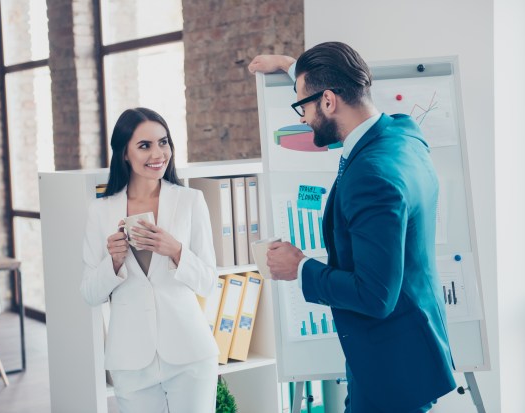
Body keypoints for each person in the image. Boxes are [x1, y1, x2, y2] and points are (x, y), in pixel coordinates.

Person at [248, 42, 456, 412]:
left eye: (303, 105)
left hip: (390, 371)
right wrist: (292, 66)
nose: (301, 118)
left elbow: (375, 296)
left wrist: (301, 267)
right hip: (407, 349)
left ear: (328, 101)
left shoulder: (371, 175)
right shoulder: (403, 134)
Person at [80, 107, 219, 413]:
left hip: (190, 354)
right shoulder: (100, 211)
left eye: (163, 142)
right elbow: (90, 293)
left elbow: (210, 283)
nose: (158, 153)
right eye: (144, 145)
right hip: (130, 359)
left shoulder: (190, 201)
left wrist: (176, 250)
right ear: (124, 154)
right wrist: (113, 262)